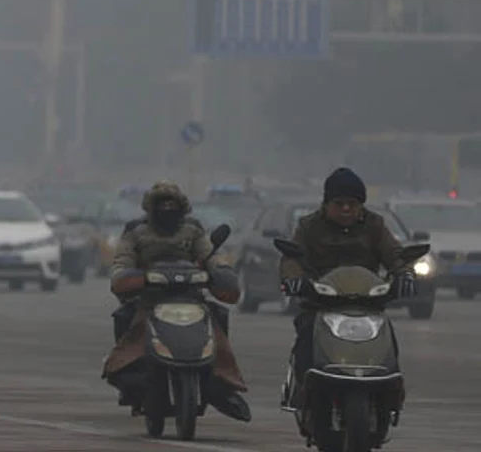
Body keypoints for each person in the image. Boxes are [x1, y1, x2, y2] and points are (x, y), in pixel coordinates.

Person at [102, 181, 250, 421]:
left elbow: (211, 257)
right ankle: (128, 379)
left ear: (182, 207)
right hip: (149, 301)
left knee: (219, 316)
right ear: (151, 208)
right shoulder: (135, 231)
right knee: (124, 318)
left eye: (172, 204)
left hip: (191, 298)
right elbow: (122, 264)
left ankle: (222, 383)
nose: (168, 209)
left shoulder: (194, 230)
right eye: (162, 204)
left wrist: (221, 273)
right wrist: (129, 277)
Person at [277, 167, 414, 409]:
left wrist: (405, 275)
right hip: (319, 305)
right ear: (327, 203)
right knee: (305, 341)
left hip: (367, 305)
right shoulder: (308, 227)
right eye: (340, 203)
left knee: (389, 344)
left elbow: (395, 255)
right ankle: (302, 393)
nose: (346, 209)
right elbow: (292, 259)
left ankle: (392, 395)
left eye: (353, 203)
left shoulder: (375, 225)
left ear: (361, 205)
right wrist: (294, 279)